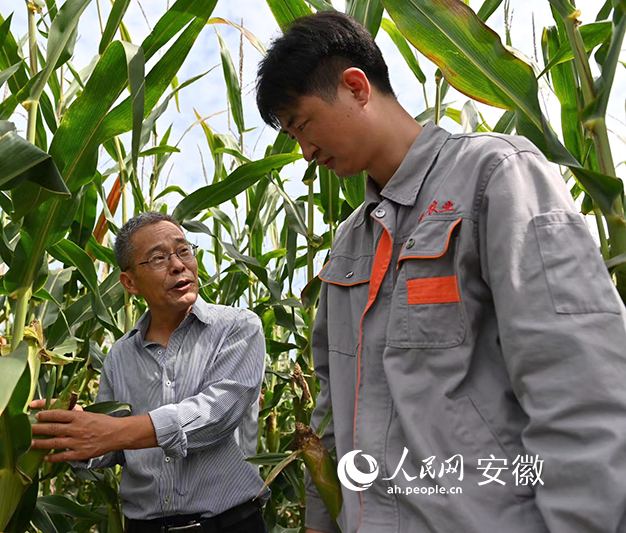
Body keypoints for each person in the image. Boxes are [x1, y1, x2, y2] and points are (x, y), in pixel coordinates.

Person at [255, 11, 626, 533]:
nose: (305, 151)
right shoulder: (348, 247)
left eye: (303, 124)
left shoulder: (495, 177)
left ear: (356, 87)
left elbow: (577, 382)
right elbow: (332, 409)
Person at [28, 212, 270, 532]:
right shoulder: (119, 356)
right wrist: (69, 429)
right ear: (129, 283)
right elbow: (110, 447)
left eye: (184, 251)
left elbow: (215, 416)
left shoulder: (238, 328)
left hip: (231, 525)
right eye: (158, 258)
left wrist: (110, 431)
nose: (178, 265)